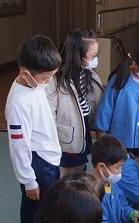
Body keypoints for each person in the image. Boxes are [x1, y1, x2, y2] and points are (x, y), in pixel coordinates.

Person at [6, 35, 62, 223]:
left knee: (48, 206)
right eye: (46, 78)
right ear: (25, 73)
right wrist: (28, 180)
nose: (49, 81)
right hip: (37, 163)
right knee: (36, 210)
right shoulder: (18, 103)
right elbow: (18, 146)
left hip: (48, 156)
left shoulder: (34, 85)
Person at [48, 28, 103, 176]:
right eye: (92, 56)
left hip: (82, 130)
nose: (95, 60)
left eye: (96, 55)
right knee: (67, 177)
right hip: (66, 138)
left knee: (80, 170)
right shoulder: (57, 79)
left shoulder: (89, 73)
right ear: (77, 55)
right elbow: (49, 114)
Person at [95, 39, 139, 152]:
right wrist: (102, 137)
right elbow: (105, 110)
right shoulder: (119, 80)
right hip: (116, 145)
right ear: (135, 63)